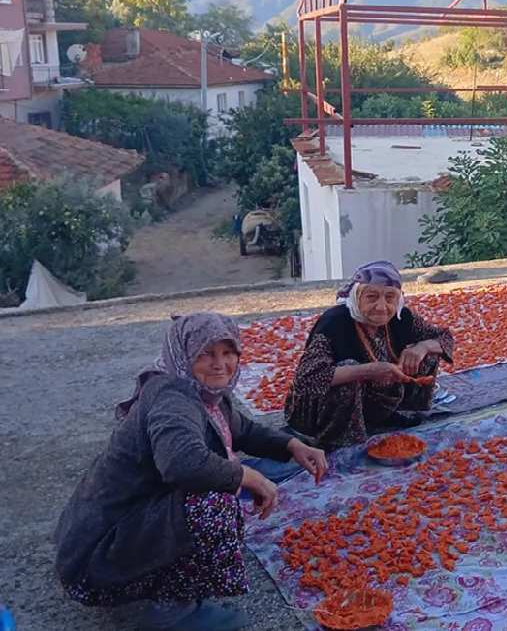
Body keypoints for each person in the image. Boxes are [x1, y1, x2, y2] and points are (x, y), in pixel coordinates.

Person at [55, 312, 328, 631]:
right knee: (214, 503)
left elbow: (242, 430)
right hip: (97, 558)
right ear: (183, 355)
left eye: (228, 353)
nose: (220, 364)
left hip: (124, 531)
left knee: (223, 479)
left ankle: (170, 586)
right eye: (205, 354)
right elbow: (182, 463)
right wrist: (246, 476)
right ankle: (172, 612)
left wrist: (291, 445)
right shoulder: (172, 398)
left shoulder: (204, 393)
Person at [284, 260, 454, 450]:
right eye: (371, 297)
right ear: (356, 297)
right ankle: (337, 440)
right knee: (348, 369)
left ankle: (399, 413)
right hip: (318, 412)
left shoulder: (402, 317)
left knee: (426, 352)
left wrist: (421, 348)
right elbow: (306, 378)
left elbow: (444, 338)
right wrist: (367, 371)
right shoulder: (334, 323)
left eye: (390, 297)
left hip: (372, 400)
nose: (381, 307)